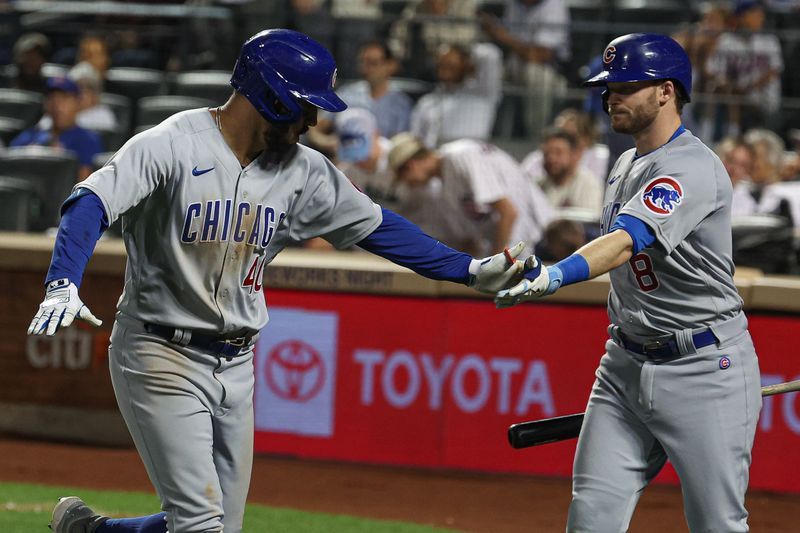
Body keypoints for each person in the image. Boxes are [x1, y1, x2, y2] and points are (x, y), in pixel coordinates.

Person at [29, 29, 527, 533]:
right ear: (267, 92)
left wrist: (465, 270)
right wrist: (63, 280)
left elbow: (380, 228)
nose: (313, 120)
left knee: (222, 523)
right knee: (201, 522)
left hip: (238, 362)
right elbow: (89, 200)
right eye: (304, 105)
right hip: (161, 353)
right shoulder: (172, 143)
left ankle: (94, 531)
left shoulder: (304, 171)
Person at [496, 33, 762, 532]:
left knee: (717, 525)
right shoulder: (624, 163)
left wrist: (555, 274)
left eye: (626, 86)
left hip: (703, 365)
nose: (611, 97)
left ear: (666, 91)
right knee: (591, 519)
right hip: (623, 366)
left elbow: (626, 240)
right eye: (609, 87)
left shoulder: (691, 166)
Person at [389, 133, 552, 256]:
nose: (408, 184)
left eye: (404, 178)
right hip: (520, 246)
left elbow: (508, 212)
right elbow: (469, 241)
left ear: (411, 165)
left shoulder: (462, 156)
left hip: (541, 238)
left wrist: (497, 260)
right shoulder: (442, 184)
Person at [480, 0, 570, 141]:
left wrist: (502, 36)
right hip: (515, 65)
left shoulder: (554, 6)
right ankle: (486, 135)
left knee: (535, 75)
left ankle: (536, 140)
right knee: (488, 70)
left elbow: (540, 55)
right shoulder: (514, 4)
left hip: (550, 72)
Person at [409, 42, 502, 148]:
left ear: (466, 64)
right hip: (435, 158)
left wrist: (465, 52)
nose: (444, 71)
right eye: (441, 65)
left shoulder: (482, 93)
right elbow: (415, 137)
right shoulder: (427, 102)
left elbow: (491, 54)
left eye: (451, 65)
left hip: (470, 158)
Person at [10, 76, 104, 181]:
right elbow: (9, 171)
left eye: (64, 98)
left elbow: (85, 185)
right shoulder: (30, 135)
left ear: (77, 102)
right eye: (52, 98)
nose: (57, 105)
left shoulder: (87, 140)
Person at [526, 127, 603, 215]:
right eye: (547, 153)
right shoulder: (537, 186)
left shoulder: (588, 184)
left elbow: (587, 225)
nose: (551, 158)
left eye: (558, 153)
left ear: (574, 155)